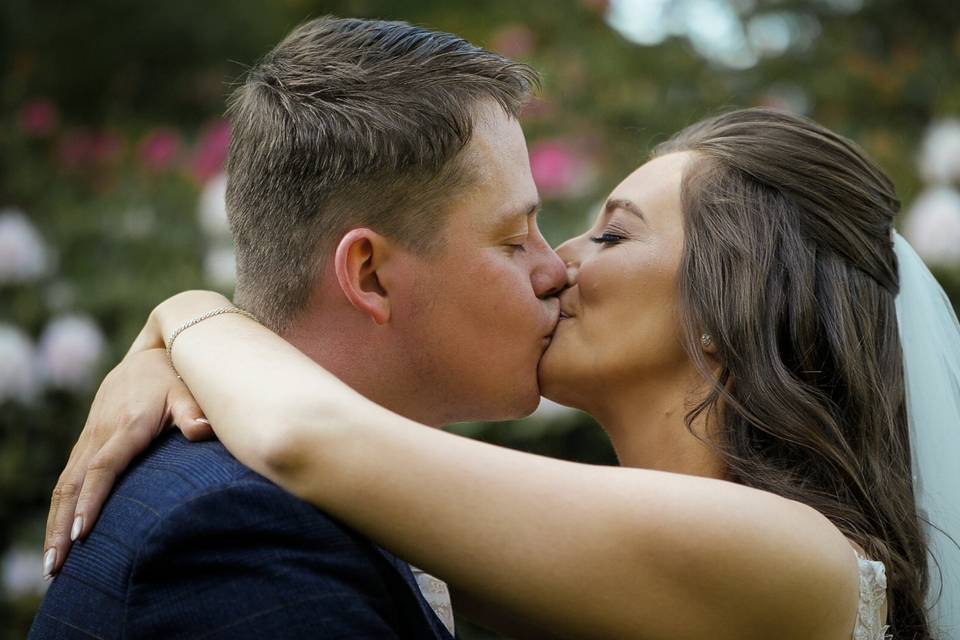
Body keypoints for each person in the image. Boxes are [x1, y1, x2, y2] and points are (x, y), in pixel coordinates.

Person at [44, 106, 960, 639]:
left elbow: (305, 437)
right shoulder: (577, 541)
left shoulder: (800, 560)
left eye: (612, 233)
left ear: (726, 310)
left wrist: (184, 315)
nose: (559, 264)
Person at [29, 16, 567, 640]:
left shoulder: (306, 505)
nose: (556, 269)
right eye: (513, 239)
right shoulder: (240, 534)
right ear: (369, 276)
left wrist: (184, 316)